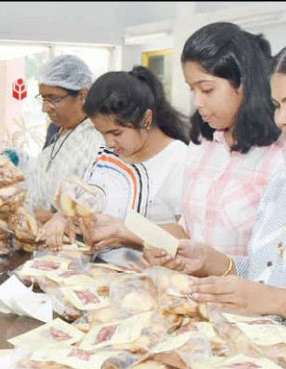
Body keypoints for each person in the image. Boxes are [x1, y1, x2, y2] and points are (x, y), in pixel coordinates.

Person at [145, 31, 286, 341]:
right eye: (278, 105)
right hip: (270, 360)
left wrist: (282, 303)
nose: (281, 119)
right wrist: (217, 263)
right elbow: (269, 271)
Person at [39, 66, 190, 256]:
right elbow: (89, 203)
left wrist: (127, 231)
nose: (109, 142)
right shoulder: (108, 152)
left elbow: (187, 239)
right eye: (102, 133)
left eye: (116, 133)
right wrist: (63, 217)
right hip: (102, 272)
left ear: (146, 119)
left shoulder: (179, 161)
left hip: (149, 278)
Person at [176, 22, 286, 256]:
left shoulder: (283, 156)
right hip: (192, 288)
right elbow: (189, 229)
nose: (197, 102)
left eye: (207, 89)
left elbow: (278, 261)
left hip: (244, 291)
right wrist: (129, 232)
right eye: (192, 90)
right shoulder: (204, 143)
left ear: (243, 83)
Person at [27, 55, 104, 227]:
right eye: (43, 98)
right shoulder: (56, 130)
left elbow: (94, 205)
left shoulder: (98, 139)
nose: (45, 108)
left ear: (83, 95)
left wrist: (51, 217)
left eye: (54, 99)